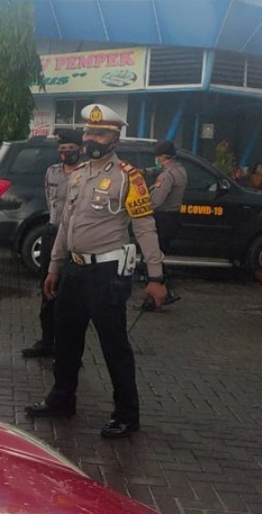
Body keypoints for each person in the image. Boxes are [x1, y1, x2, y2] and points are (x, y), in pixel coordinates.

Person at [25, 104, 168, 439]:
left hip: (107, 272)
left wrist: (156, 277)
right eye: (88, 132)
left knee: (113, 345)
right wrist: (54, 267)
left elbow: (145, 226)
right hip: (74, 270)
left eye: (99, 133)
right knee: (66, 341)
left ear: (114, 139)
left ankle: (126, 413)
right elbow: (66, 225)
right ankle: (62, 399)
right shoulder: (78, 175)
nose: (90, 139)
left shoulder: (129, 178)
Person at [21, 128, 82, 359]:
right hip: (52, 233)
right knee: (48, 291)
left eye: (71, 149)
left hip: (75, 239)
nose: (67, 153)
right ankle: (47, 341)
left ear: (80, 150)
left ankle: (68, 348)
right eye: (63, 149)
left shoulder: (86, 174)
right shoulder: (52, 172)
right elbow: (51, 202)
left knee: (71, 296)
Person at [148, 139, 188, 302]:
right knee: (159, 256)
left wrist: (139, 210)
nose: (156, 160)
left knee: (153, 258)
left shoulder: (167, 176)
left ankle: (164, 292)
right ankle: (161, 294)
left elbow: (156, 202)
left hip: (162, 219)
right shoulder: (180, 170)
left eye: (158, 157)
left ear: (164, 158)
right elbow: (154, 171)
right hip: (173, 218)